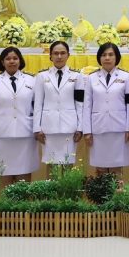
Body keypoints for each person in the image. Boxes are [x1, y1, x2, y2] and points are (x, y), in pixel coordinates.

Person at [0, 46, 38, 186]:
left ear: (20, 61)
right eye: (8, 59)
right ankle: (5, 200)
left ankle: (23, 200)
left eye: (15, 58)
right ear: (2, 62)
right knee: (3, 171)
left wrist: (38, 128)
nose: (12, 61)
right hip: (0, 135)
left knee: (24, 172)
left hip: (25, 134)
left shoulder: (32, 80)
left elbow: (37, 107)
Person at [82, 42, 129, 178]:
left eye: (111, 55)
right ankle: (101, 192)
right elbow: (87, 105)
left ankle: (117, 191)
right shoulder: (91, 78)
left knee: (117, 169)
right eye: (104, 55)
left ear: (117, 57)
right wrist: (87, 131)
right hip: (98, 129)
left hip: (119, 129)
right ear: (99, 58)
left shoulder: (126, 77)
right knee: (100, 169)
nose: (107, 58)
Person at [33, 41, 84, 171]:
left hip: (70, 128)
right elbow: (38, 103)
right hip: (48, 128)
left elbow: (80, 103)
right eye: (56, 53)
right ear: (50, 56)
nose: (59, 56)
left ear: (68, 55)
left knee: (68, 167)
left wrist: (80, 127)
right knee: (51, 168)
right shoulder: (42, 76)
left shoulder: (77, 76)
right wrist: (37, 128)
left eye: (62, 53)